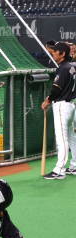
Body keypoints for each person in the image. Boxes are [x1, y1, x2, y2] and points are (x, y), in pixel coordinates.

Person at [41, 42, 76, 179]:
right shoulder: (73, 66)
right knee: (72, 137)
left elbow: (56, 89)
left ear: (62, 54)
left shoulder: (63, 68)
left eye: (56, 52)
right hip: (72, 105)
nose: (53, 53)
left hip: (62, 106)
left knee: (62, 138)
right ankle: (74, 166)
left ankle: (59, 170)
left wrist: (47, 101)